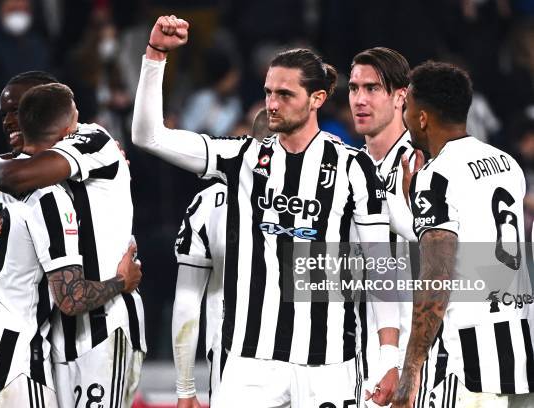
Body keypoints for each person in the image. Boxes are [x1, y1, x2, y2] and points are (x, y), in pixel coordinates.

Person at [133, 15, 400, 407]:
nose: (271, 104)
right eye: (268, 92)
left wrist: (388, 359)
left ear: (317, 99)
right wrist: (155, 56)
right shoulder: (239, 156)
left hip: (328, 365)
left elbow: (380, 268)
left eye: (285, 94)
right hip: (249, 365)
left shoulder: (354, 168)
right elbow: (148, 135)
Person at [0, 82, 140, 407]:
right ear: (64, 129)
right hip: (14, 363)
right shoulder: (49, 198)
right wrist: (122, 281)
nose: (7, 120)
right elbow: (71, 298)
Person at [393, 61, 534, 407]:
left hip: (464, 357)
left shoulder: (436, 176)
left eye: (408, 108)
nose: (406, 118)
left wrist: (411, 370)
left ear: (423, 117)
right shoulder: (507, 164)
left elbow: (436, 277)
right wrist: (420, 208)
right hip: (513, 342)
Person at [171, 109, 271, 408]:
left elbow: (187, 302)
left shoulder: (208, 203)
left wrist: (185, 388)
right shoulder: (323, 198)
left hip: (233, 364)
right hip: (310, 359)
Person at [347, 47, 422, 404]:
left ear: (400, 96)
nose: (360, 99)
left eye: (372, 88)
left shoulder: (424, 162)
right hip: (356, 345)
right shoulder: (348, 167)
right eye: (354, 88)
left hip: (415, 351)